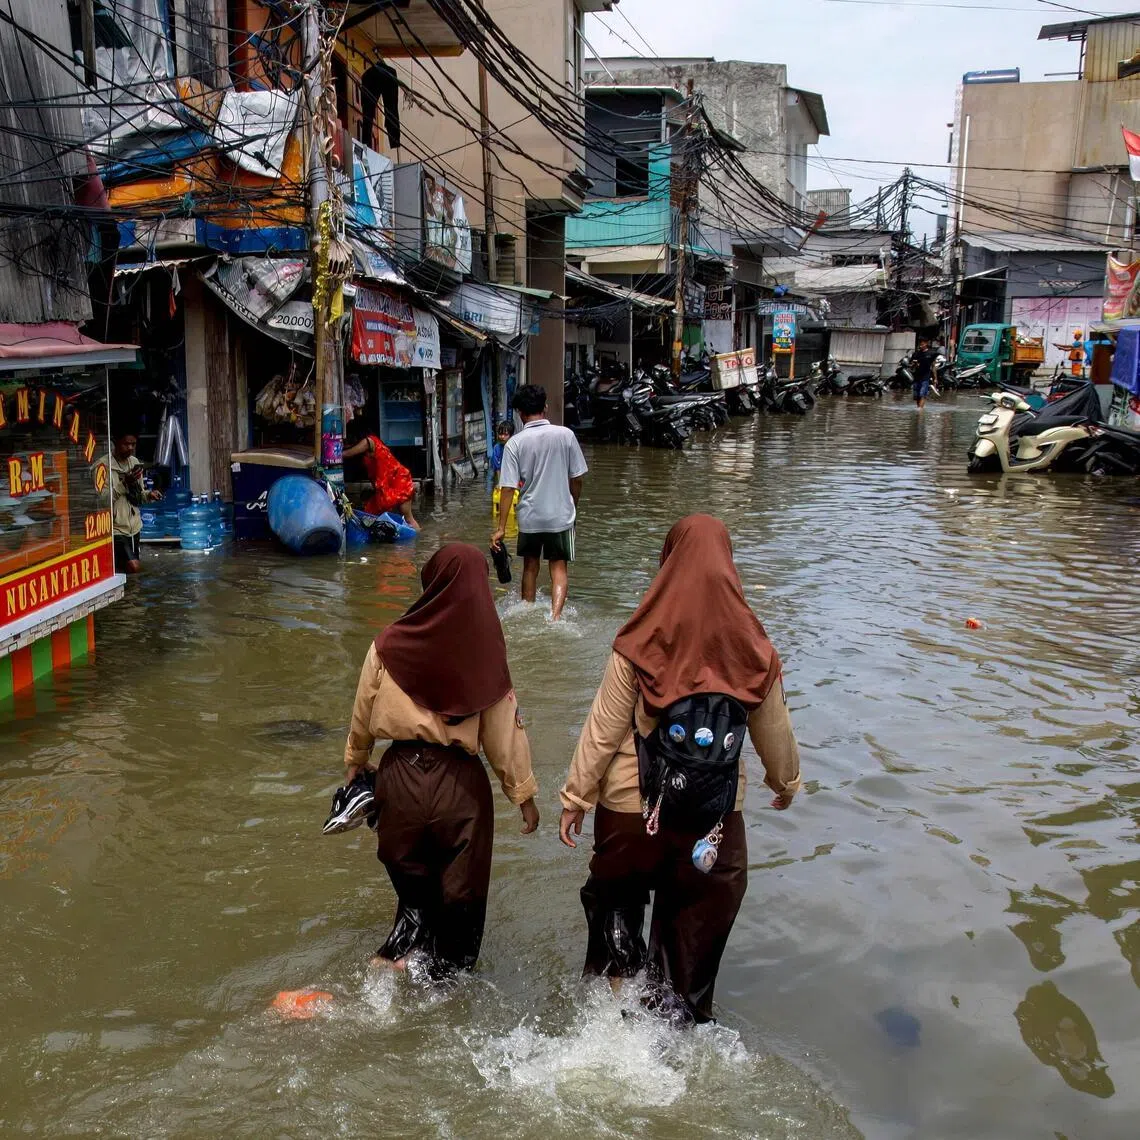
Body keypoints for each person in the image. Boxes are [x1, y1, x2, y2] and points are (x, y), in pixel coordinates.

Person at [558, 515, 801, 1024]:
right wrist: (786, 783)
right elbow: (774, 736)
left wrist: (575, 798)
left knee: (617, 920)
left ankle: (609, 1025)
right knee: (689, 946)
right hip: (710, 826)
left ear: (667, 564)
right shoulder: (756, 652)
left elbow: (603, 729)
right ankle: (671, 1033)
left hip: (631, 811)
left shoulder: (639, 639)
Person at [343, 543, 540, 976]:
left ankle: (391, 964)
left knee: (414, 894)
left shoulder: (388, 644)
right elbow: (504, 733)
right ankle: (445, 982)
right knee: (460, 901)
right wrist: (522, 795)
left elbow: (363, 710)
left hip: (398, 779)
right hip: (459, 788)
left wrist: (357, 759)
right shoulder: (485, 653)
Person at [492, 385, 587, 622]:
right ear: (544, 407)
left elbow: (507, 489)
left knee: (530, 567)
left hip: (530, 516)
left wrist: (502, 528)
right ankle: (555, 618)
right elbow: (577, 478)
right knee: (558, 568)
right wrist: (572, 505)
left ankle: (526, 610)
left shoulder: (514, 443)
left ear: (520, 413)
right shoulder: (566, 435)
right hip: (560, 516)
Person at [342, 426, 420, 530]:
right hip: (395, 482)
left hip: (398, 480)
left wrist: (336, 454)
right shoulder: (368, 450)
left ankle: (413, 540)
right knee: (406, 518)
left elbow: (351, 451)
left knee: (406, 517)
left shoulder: (370, 441)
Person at [110, 431, 161, 574]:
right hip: (115, 528)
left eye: (133, 444)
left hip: (134, 526)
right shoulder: (104, 466)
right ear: (116, 442)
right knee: (134, 566)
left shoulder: (135, 463)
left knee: (128, 571)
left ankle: (130, 595)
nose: (130, 448)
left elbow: (139, 494)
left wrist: (149, 495)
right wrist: (124, 484)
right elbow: (103, 499)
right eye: (126, 444)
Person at [910, 339, 939, 409]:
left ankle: (920, 410)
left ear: (926, 344)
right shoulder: (916, 354)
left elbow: (933, 366)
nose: (921, 346)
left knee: (922, 394)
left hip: (925, 377)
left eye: (922, 344)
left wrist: (935, 378)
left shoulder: (931, 354)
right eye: (920, 344)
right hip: (916, 377)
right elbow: (911, 366)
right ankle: (918, 408)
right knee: (917, 396)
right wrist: (914, 364)